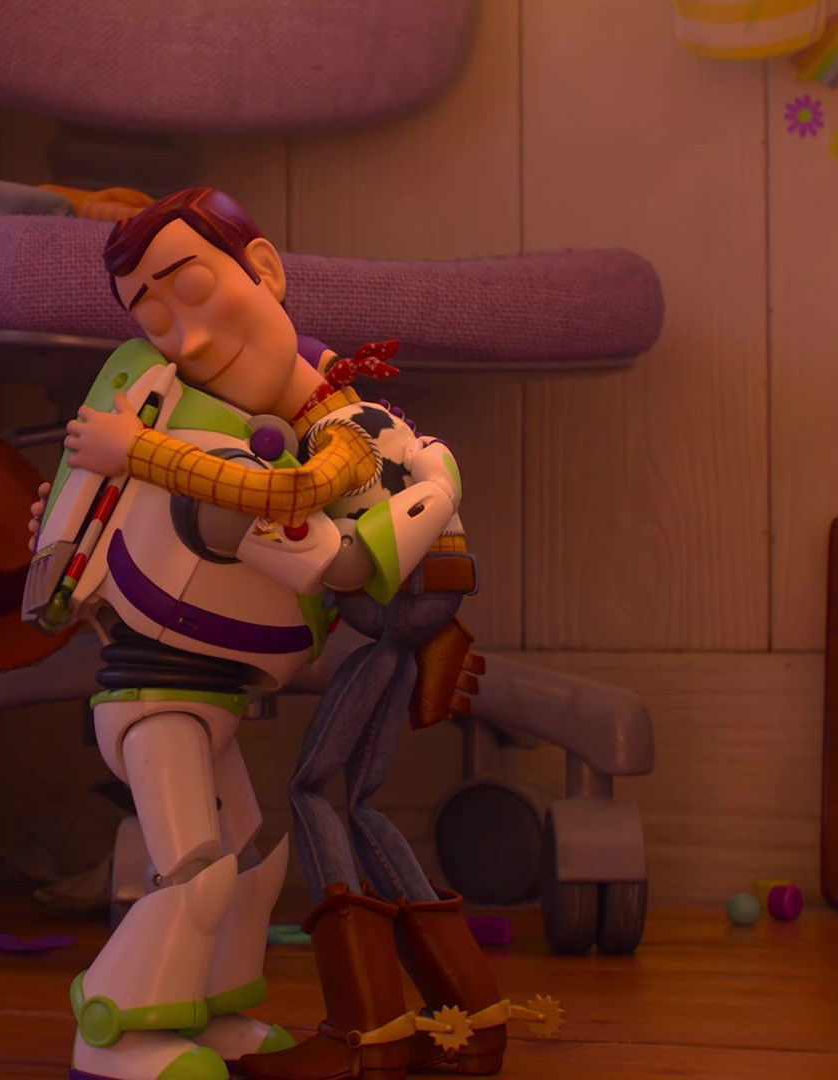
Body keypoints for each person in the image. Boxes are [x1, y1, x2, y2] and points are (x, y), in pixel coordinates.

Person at [63, 188, 521, 1080]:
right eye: (154, 321)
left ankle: (215, 1013)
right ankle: (115, 1035)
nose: (190, 340)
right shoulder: (200, 434)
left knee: (247, 858)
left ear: (265, 269)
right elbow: (281, 516)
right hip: (155, 694)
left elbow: (306, 503)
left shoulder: (337, 428)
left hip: (219, 693)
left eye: (194, 290)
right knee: (195, 864)